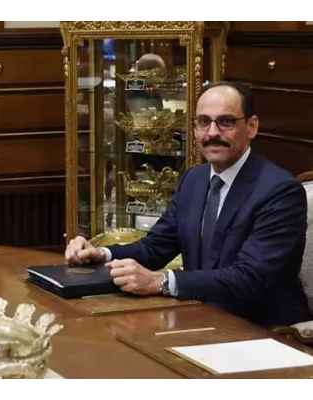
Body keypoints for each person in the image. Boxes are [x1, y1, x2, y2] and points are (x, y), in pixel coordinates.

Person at [66, 81, 312, 327]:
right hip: (198, 316)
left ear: (251, 127)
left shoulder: (280, 191)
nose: (212, 133)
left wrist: (160, 281)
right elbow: (155, 247)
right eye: (203, 122)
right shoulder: (194, 179)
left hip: (262, 329)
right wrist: (101, 254)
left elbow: (249, 278)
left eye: (226, 122)